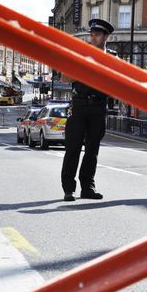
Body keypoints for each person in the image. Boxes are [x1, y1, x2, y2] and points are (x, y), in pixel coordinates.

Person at [60, 18, 116, 202]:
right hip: (80, 105)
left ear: (106, 37)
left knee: (92, 150)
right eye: (92, 34)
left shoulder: (112, 57)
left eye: (97, 35)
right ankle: (68, 188)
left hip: (99, 106)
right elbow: (64, 78)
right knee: (73, 148)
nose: (93, 38)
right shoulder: (80, 53)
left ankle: (87, 188)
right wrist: (85, 67)